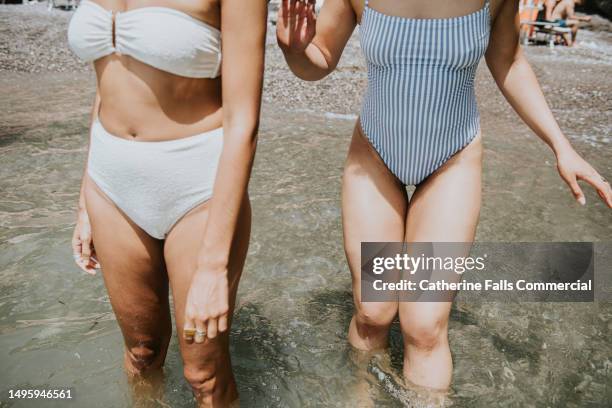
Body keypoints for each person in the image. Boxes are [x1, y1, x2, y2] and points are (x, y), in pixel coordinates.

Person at [277, 0, 611, 398]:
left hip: (452, 161)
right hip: (375, 156)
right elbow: (320, 59)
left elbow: (509, 61)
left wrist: (561, 146)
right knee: (373, 312)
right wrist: (294, 51)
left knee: (424, 326)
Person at [68, 0, 267, 406]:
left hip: (197, 185)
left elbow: (244, 121)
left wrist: (214, 267)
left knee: (204, 375)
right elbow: (108, 81)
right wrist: (85, 196)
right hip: (111, 182)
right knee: (142, 353)